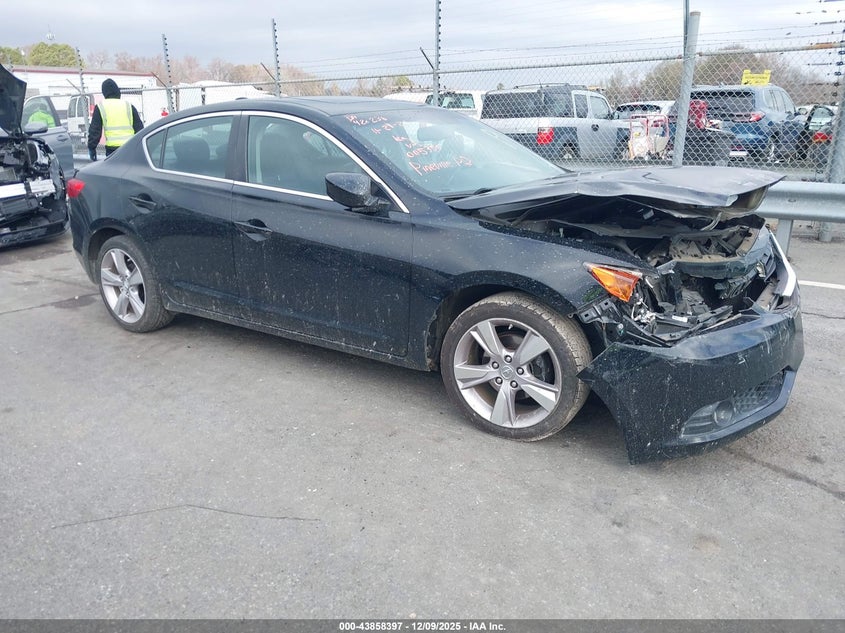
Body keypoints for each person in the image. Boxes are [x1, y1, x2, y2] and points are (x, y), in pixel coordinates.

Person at [87, 78, 144, 161]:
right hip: (130, 147)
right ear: (117, 91)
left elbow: (95, 131)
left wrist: (92, 148)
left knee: (114, 173)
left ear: (104, 93)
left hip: (112, 150)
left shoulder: (101, 107)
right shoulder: (128, 105)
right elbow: (139, 128)